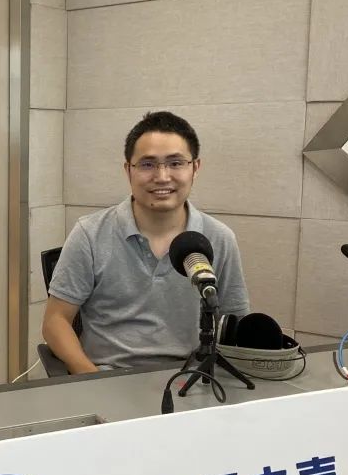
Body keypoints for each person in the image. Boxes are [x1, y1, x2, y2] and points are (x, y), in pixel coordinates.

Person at [42, 111, 250, 373]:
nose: (162, 176)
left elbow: (233, 324)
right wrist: (91, 379)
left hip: (191, 379)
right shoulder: (90, 233)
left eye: (176, 163)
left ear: (195, 168)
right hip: (108, 377)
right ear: (128, 170)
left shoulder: (219, 238)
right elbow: (56, 321)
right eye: (147, 164)